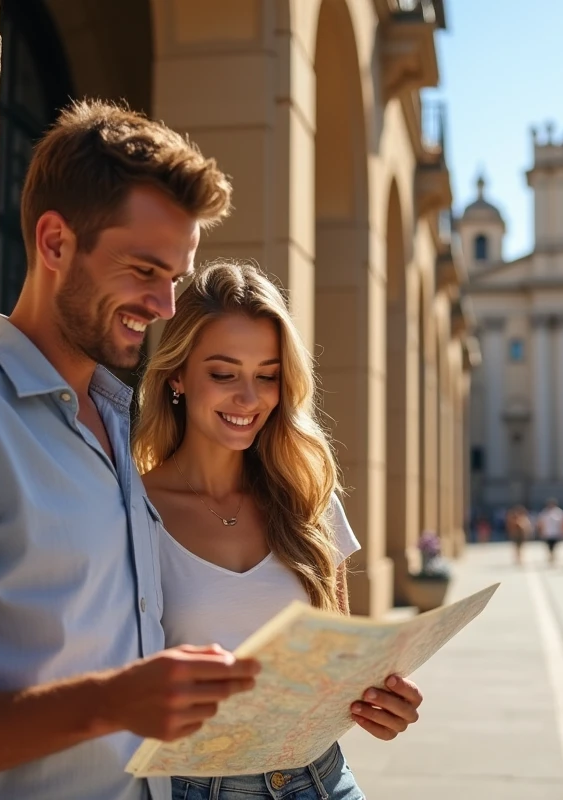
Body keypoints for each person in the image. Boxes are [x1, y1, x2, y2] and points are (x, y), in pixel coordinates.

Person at [0, 101, 259, 799]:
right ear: (54, 243)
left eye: (175, 279)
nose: (164, 306)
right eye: (143, 269)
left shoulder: (117, 421)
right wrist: (110, 703)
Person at [134, 261, 422, 799]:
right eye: (224, 374)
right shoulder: (131, 511)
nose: (250, 399)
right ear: (177, 375)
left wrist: (379, 701)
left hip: (322, 780)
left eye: (267, 375)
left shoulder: (307, 500)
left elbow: (338, 658)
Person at [538, 498, 563, 566]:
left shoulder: (559, 512)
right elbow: (541, 523)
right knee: (549, 546)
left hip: (556, 533)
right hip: (547, 533)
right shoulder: (545, 512)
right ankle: (551, 556)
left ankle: (553, 557)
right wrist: (541, 531)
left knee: (555, 546)